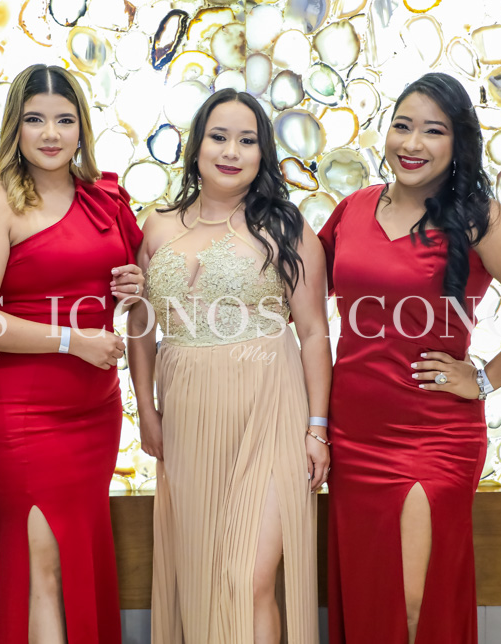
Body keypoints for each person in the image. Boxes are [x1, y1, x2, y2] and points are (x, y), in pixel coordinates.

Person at [317, 72, 501, 644]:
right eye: (402, 126)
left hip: (432, 433)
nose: (412, 144)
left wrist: (485, 378)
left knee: (415, 600)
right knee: (369, 591)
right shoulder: (352, 209)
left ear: (458, 142)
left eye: (433, 131)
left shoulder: (478, 216)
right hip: (353, 432)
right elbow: (293, 296)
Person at [127, 88, 332, 644]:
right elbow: (141, 326)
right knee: (205, 576)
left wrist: (317, 429)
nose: (231, 151)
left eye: (247, 140)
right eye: (219, 137)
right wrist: (146, 409)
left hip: (270, 412)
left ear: (264, 154)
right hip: (188, 418)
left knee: (248, 580)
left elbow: (314, 332)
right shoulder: (156, 226)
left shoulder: (288, 229)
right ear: (196, 145)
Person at [0, 64, 144, 644]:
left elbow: (129, 293)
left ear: (82, 127)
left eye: (64, 120)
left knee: (74, 558)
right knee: (41, 562)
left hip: (95, 409)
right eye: (35, 119)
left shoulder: (106, 199)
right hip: (19, 411)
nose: (50, 134)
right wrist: (72, 340)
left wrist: (134, 287)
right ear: (14, 127)